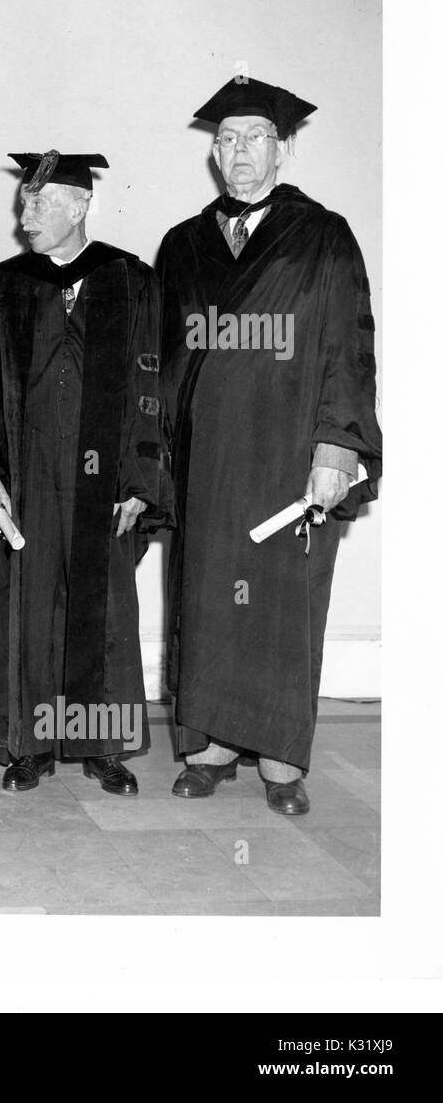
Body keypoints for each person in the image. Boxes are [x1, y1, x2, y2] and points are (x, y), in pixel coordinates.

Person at [159, 76, 382, 815]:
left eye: (255, 137)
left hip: (288, 458)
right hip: (205, 462)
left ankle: (283, 760)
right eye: (226, 139)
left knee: (282, 608)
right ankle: (211, 747)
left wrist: (337, 450)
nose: (239, 152)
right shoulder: (184, 243)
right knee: (207, 599)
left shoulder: (323, 235)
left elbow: (348, 348)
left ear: (283, 149)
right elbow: (156, 359)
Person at [0, 151, 171, 796]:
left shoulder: (130, 279)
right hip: (27, 471)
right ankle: (29, 745)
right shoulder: (5, 284)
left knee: (103, 608)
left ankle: (100, 745)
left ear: (81, 205)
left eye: (40, 203)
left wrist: (140, 479)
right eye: (24, 203)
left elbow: (150, 386)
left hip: (103, 476)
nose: (25, 216)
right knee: (29, 605)